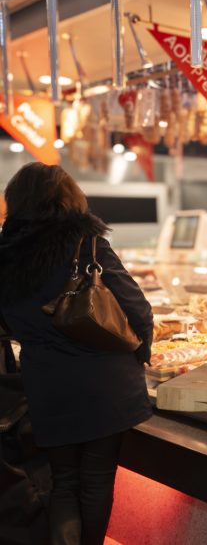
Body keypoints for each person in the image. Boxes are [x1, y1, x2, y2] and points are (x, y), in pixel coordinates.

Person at [0, 162, 153, 545]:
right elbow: (137, 308)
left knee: (64, 482)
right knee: (97, 481)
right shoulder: (88, 243)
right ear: (69, 196)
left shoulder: (5, 254)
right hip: (106, 386)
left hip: (47, 385)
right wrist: (143, 351)